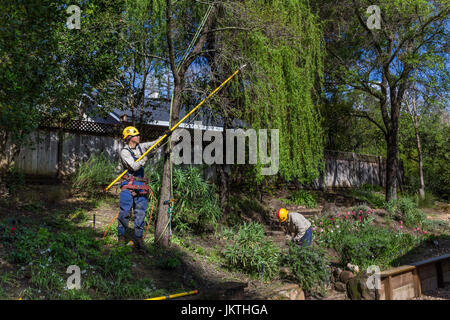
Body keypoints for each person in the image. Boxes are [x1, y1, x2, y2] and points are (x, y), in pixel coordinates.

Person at [118, 126, 164, 250]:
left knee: (140, 214)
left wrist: (164, 136)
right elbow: (134, 167)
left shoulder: (141, 147)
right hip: (128, 185)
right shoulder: (125, 152)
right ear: (129, 138)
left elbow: (153, 144)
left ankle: (138, 239)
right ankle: (121, 237)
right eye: (136, 135)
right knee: (125, 212)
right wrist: (146, 158)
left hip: (141, 185)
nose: (139, 137)